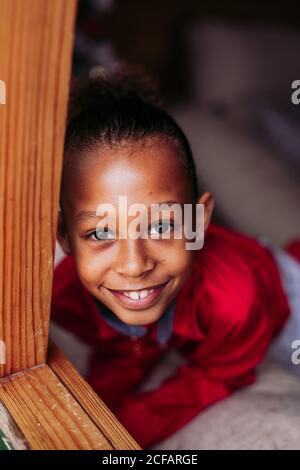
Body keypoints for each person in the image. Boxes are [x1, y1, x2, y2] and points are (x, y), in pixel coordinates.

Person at [51, 67, 300, 449]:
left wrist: (124, 430)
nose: (134, 265)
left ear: (199, 221)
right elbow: (124, 350)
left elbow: (216, 375)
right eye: (101, 233)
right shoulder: (63, 297)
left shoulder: (234, 303)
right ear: (64, 238)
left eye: (162, 227)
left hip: (282, 293)